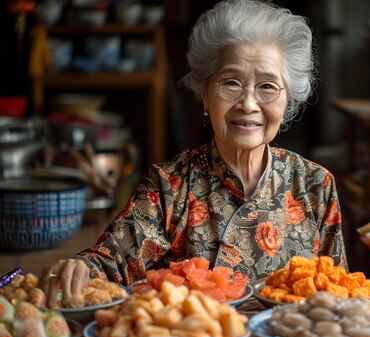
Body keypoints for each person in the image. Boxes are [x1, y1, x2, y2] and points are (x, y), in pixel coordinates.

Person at [39, 0, 347, 307]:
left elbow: (337, 293)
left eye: (267, 86)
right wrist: (80, 268)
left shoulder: (314, 184)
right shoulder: (169, 184)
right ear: (204, 93)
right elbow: (112, 260)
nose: (249, 104)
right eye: (231, 83)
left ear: (288, 99)